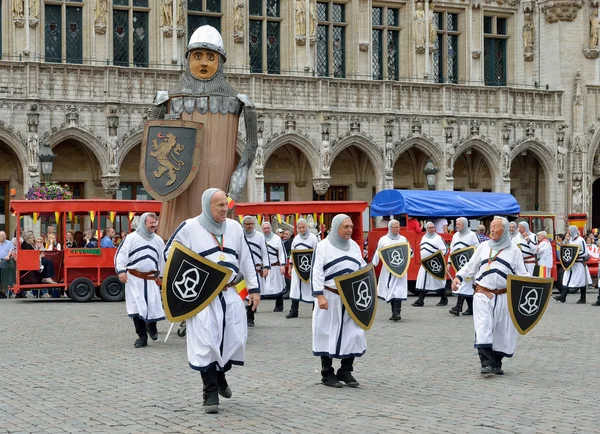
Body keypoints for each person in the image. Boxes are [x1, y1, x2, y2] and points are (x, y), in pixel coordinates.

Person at [151, 25, 258, 237]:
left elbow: (251, 146)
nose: (203, 62)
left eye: (210, 56)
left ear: (220, 62)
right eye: (198, 55)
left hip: (220, 183)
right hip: (180, 190)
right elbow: (152, 136)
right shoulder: (166, 99)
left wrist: (238, 178)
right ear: (188, 58)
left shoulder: (239, 101)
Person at [163, 188, 260, 414]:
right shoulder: (190, 228)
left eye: (225, 205)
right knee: (205, 343)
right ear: (207, 206)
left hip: (230, 294)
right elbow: (170, 254)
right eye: (219, 206)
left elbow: (246, 259)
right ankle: (210, 391)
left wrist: (254, 289)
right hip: (203, 298)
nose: (225, 209)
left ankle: (221, 374)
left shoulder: (235, 228)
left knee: (232, 341)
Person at [451, 217, 529, 376]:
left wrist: (535, 285)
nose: (492, 230)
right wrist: (459, 277)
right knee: (483, 326)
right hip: (482, 293)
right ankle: (486, 363)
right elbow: (471, 266)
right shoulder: (483, 247)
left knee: (501, 330)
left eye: (496, 227)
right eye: (491, 227)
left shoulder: (514, 251)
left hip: (503, 295)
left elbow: (522, 274)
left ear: (505, 230)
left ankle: (497, 363)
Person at [311, 214, 367, 388]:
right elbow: (317, 271)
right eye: (346, 227)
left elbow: (361, 267)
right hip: (330, 296)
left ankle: (345, 370)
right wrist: (319, 295)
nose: (349, 230)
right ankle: (327, 373)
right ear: (336, 228)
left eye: (351, 227)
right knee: (326, 333)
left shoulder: (354, 247)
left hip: (350, 298)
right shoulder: (323, 246)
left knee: (354, 334)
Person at [115, 213, 165, 348]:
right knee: (137, 308)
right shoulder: (131, 238)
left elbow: (162, 260)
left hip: (150, 279)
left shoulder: (158, 240)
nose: (154, 225)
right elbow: (120, 255)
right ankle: (142, 337)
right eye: (151, 223)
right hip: (134, 279)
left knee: (152, 306)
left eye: (155, 222)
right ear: (144, 223)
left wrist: (161, 276)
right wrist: (121, 271)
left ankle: (152, 326)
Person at [371, 219, 413, 321]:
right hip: (388, 270)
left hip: (400, 270)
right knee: (391, 291)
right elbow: (378, 253)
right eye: (395, 227)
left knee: (399, 290)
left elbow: (410, 252)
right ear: (390, 228)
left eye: (398, 227)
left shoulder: (403, 239)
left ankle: (396, 312)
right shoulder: (383, 240)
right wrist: (373, 264)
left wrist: (409, 253)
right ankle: (394, 312)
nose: (397, 229)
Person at [286, 218, 318, 319]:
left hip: (310, 268)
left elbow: (317, 253)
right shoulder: (296, 239)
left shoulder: (313, 238)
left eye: (303, 227)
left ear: (307, 227)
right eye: (299, 228)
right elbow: (292, 252)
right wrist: (290, 266)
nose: (302, 229)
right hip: (297, 268)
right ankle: (294, 310)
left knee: (313, 288)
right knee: (295, 288)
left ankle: (315, 310)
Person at [412, 222, 449, 307]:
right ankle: (420, 300)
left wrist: (436, 258)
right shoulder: (423, 237)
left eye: (433, 227)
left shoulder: (438, 238)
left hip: (434, 264)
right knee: (423, 281)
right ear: (427, 229)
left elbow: (444, 250)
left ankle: (444, 299)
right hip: (425, 264)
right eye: (430, 228)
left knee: (438, 281)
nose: (432, 229)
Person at [242, 216, 269, 327]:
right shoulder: (240, 236)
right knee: (242, 295)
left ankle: (250, 317)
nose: (250, 226)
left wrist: (266, 267)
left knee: (254, 294)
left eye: (252, 224)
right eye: (248, 224)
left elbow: (264, 252)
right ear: (243, 225)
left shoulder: (259, 236)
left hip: (256, 270)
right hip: (242, 271)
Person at [448, 217, 479, 317]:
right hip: (458, 265)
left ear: (465, 224)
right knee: (466, 286)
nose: (457, 225)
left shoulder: (472, 235)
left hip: (468, 265)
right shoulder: (455, 236)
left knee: (464, 285)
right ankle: (471, 308)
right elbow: (452, 251)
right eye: (456, 223)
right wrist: (449, 263)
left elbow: (476, 250)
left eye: (459, 224)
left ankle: (458, 308)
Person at [554, 226, 590, 304]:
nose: (568, 232)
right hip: (570, 264)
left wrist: (575, 255)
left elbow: (585, 252)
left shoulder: (581, 240)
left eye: (569, 230)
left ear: (573, 231)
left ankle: (583, 298)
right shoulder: (570, 240)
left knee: (581, 281)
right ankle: (563, 297)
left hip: (578, 264)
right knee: (566, 278)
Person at [261, 222, 287, 312]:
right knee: (258, 286)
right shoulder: (259, 238)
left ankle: (279, 305)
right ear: (262, 229)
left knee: (278, 286)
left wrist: (283, 265)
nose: (266, 230)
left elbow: (282, 252)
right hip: (263, 268)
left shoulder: (277, 239)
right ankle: (252, 306)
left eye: (268, 228)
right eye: (264, 228)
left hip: (275, 266)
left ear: (271, 228)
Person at [0, 231, 14, 298]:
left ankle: (3, 292)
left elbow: (11, 250)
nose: (4, 237)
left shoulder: (9, 243)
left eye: (4, 235)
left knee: (4, 276)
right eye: (2, 236)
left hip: (6, 261)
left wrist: (8, 256)